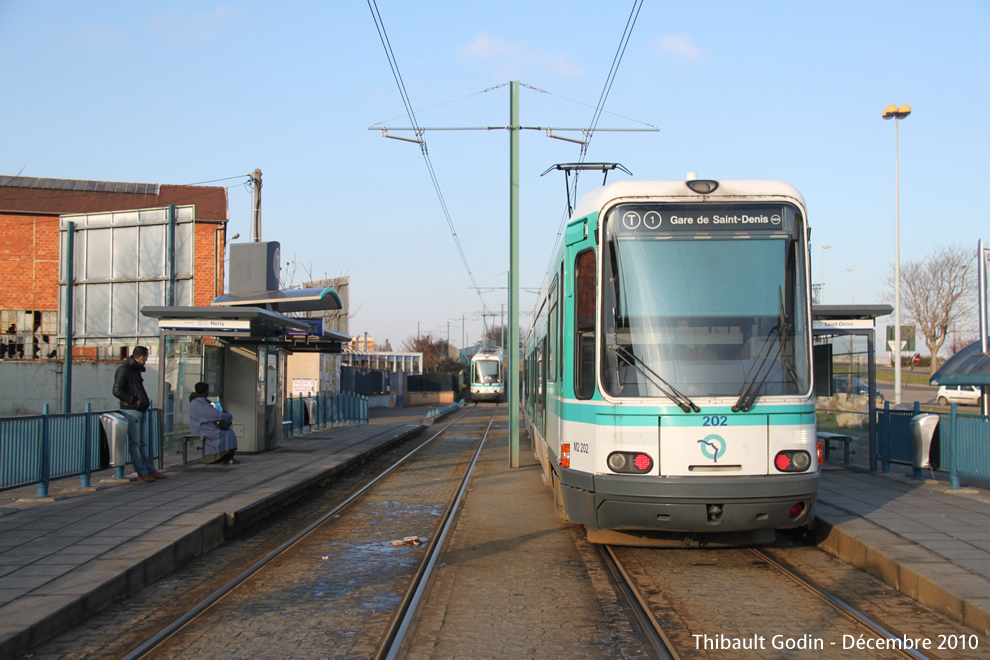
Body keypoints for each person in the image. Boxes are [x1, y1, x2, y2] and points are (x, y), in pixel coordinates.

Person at [113, 345, 166, 483]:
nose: (146, 360)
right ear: (141, 357)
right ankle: (142, 472)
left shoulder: (134, 370)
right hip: (131, 411)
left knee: (142, 442)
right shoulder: (124, 370)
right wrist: (134, 401)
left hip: (140, 410)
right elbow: (117, 391)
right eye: (146, 358)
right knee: (135, 443)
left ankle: (150, 470)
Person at [188, 382, 239, 464]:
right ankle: (223, 456)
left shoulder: (199, 401)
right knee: (226, 434)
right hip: (202, 428)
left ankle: (226, 455)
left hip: (204, 426)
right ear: (205, 391)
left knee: (229, 432)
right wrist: (227, 415)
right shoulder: (199, 403)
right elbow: (213, 414)